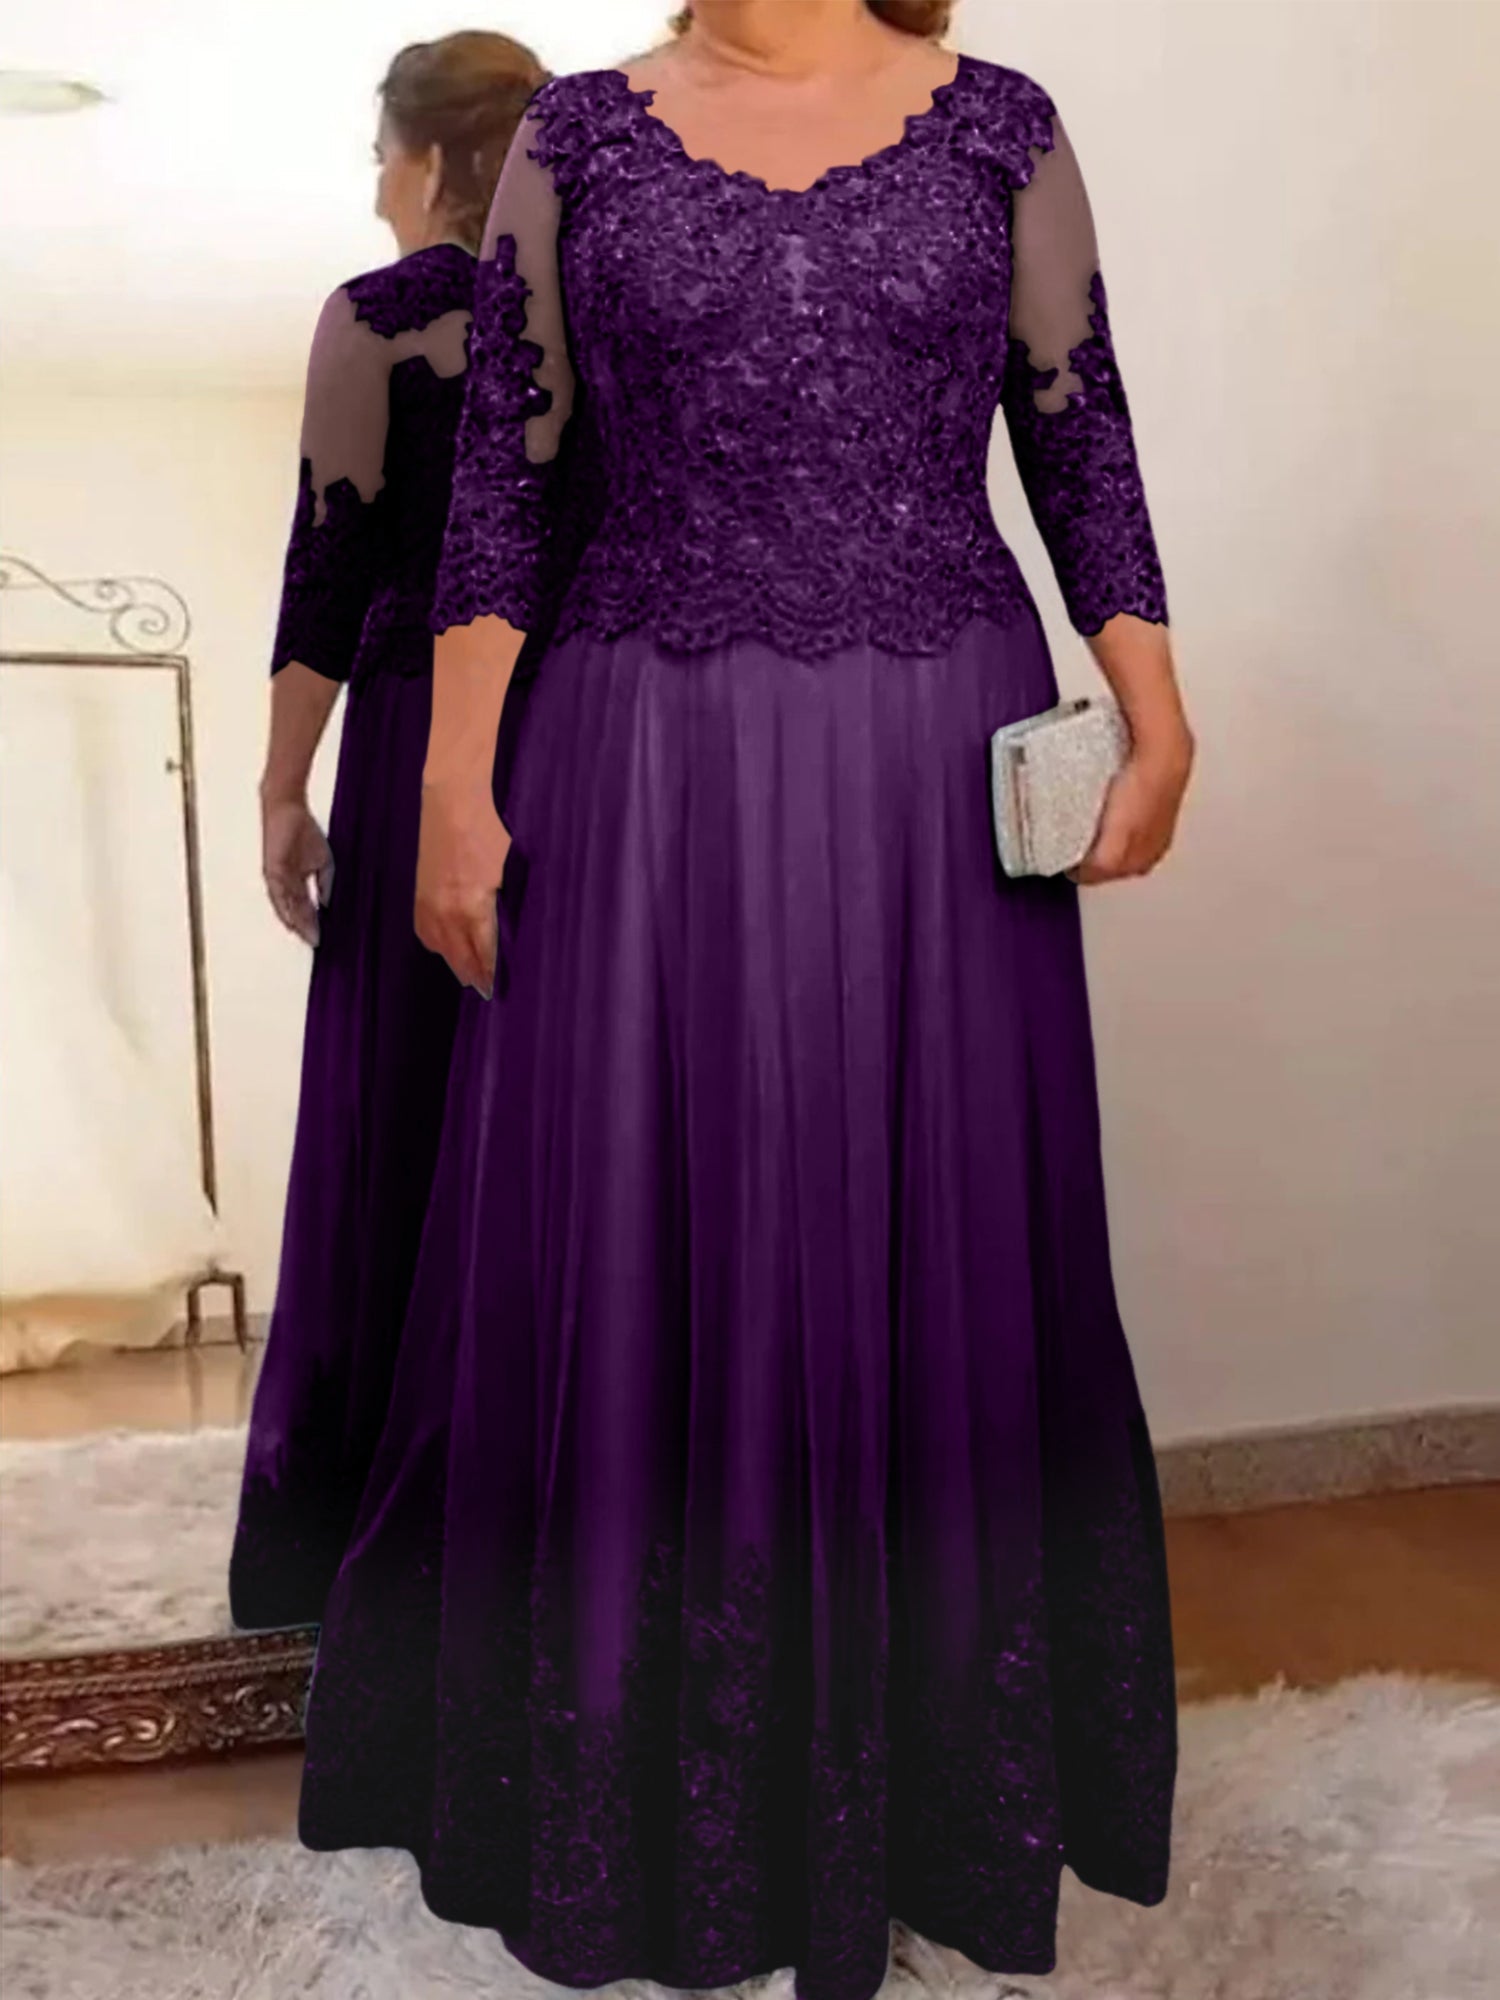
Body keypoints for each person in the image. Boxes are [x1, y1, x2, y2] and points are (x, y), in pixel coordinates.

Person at [299, 1, 1193, 1990]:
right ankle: (640, 1808)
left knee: (935, 1229)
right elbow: (504, 483)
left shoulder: (1000, 124)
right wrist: (452, 778)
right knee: (635, 1226)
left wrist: (1157, 700)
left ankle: (930, 1796)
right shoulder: (582, 139)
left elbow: (1081, 427)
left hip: (931, 753)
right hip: (638, 748)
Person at [228, 30, 549, 1631]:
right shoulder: (596, 316)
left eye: (378, 156)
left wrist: (280, 787)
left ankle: (366, 1528)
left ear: (424, 160)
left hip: (426, 731)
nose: (372, 188)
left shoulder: (379, 315)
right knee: (554, 1109)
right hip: (583, 744)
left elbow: (328, 562)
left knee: (399, 1099)